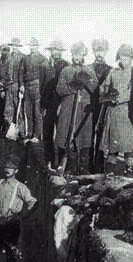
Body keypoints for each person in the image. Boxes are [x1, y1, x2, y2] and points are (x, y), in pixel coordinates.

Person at [55, 41, 98, 174]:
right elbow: (59, 89)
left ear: (83, 55)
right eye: (75, 54)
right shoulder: (66, 70)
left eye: (79, 54)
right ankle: (69, 167)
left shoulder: (89, 70)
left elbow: (95, 88)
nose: (77, 57)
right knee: (67, 137)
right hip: (68, 109)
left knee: (84, 138)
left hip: (83, 110)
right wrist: (72, 86)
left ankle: (83, 168)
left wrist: (86, 81)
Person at [98, 44, 133, 173]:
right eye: (122, 57)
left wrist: (122, 98)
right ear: (118, 58)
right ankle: (111, 170)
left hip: (126, 110)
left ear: (131, 59)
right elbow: (103, 87)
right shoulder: (113, 72)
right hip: (113, 111)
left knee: (127, 143)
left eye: (127, 57)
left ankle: (130, 168)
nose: (124, 60)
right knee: (113, 143)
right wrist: (107, 94)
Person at [42, 39, 68, 167]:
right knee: (47, 132)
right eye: (53, 50)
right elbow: (43, 85)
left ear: (61, 51)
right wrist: (43, 105)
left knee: (62, 133)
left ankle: (62, 163)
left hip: (61, 103)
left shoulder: (66, 66)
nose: (55, 52)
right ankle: (49, 161)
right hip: (48, 103)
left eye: (58, 50)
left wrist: (63, 104)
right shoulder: (45, 65)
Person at [18, 37, 48, 142]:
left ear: (37, 47)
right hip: (27, 87)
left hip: (37, 87)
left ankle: (37, 135)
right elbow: (21, 72)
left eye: (34, 46)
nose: (32, 48)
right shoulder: (25, 58)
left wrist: (42, 90)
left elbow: (46, 77)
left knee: (37, 112)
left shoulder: (43, 59)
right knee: (28, 112)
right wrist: (21, 85)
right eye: (31, 46)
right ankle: (30, 133)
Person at [89, 38, 112, 169]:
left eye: (102, 51)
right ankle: (87, 164)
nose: (99, 54)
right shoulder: (88, 69)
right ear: (93, 52)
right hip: (89, 107)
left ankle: (99, 165)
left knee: (102, 135)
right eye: (97, 51)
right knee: (88, 135)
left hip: (103, 107)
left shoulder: (110, 70)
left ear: (106, 52)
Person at [2, 37, 24, 135]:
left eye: (16, 46)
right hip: (8, 86)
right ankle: (8, 131)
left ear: (18, 46)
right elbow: (4, 72)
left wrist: (22, 86)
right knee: (8, 109)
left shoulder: (22, 57)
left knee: (19, 108)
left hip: (17, 85)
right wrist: (3, 87)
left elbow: (23, 73)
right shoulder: (8, 57)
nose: (14, 47)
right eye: (13, 46)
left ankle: (21, 132)